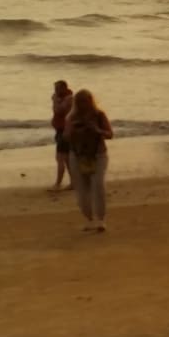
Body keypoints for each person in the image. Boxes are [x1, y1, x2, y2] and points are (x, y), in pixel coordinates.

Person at [64, 89, 114, 232]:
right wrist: (73, 130)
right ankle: (88, 218)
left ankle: (101, 219)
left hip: (98, 155)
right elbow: (66, 138)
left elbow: (110, 134)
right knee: (81, 189)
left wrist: (97, 130)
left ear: (90, 101)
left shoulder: (99, 115)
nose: (82, 105)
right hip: (78, 156)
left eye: (85, 101)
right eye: (79, 102)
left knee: (98, 185)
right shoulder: (71, 117)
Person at [50, 80, 75, 191]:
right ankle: (73, 182)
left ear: (64, 88)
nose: (55, 91)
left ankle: (58, 184)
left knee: (60, 157)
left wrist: (55, 100)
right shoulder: (62, 98)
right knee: (66, 158)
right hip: (61, 130)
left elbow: (59, 110)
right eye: (55, 89)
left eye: (57, 89)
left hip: (65, 131)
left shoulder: (69, 98)